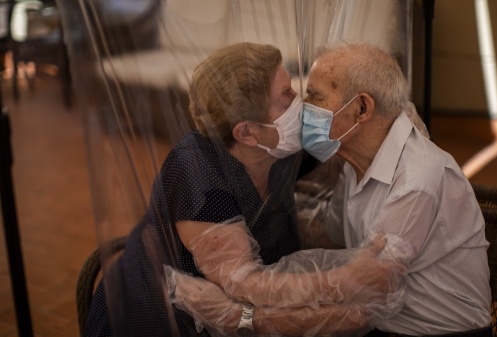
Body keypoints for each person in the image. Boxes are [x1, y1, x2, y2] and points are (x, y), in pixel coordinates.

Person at [86, 42, 403, 337]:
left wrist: (394, 116)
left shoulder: (277, 147)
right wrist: (345, 283)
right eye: (285, 96)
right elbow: (246, 288)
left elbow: (348, 131)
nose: (300, 104)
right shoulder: (197, 175)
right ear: (247, 132)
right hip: (159, 320)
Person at [299, 42, 493, 336]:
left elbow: (363, 287)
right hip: (382, 324)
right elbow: (333, 236)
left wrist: (249, 304)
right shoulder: (354, 162)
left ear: (362, 108)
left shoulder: (416, 179)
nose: (304, 106)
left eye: (316, 96)